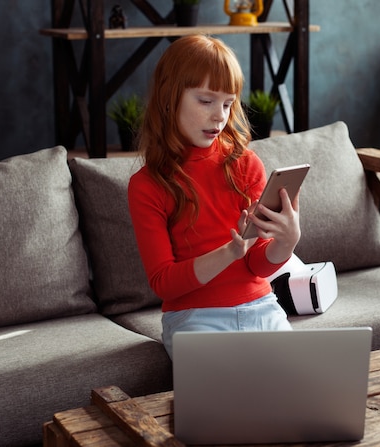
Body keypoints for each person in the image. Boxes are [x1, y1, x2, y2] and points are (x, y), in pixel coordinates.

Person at [127, 34, 300, 359]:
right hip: (194, 318)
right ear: (169, 98)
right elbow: (163, 281)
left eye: (227, 103)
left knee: (303, 396)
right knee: (227, 404)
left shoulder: (245, 164)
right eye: (205, 101)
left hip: (261, 307)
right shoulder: (147, 185)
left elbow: (259, 265)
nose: (220, 115)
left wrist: (287, 242)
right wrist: (228, 253)